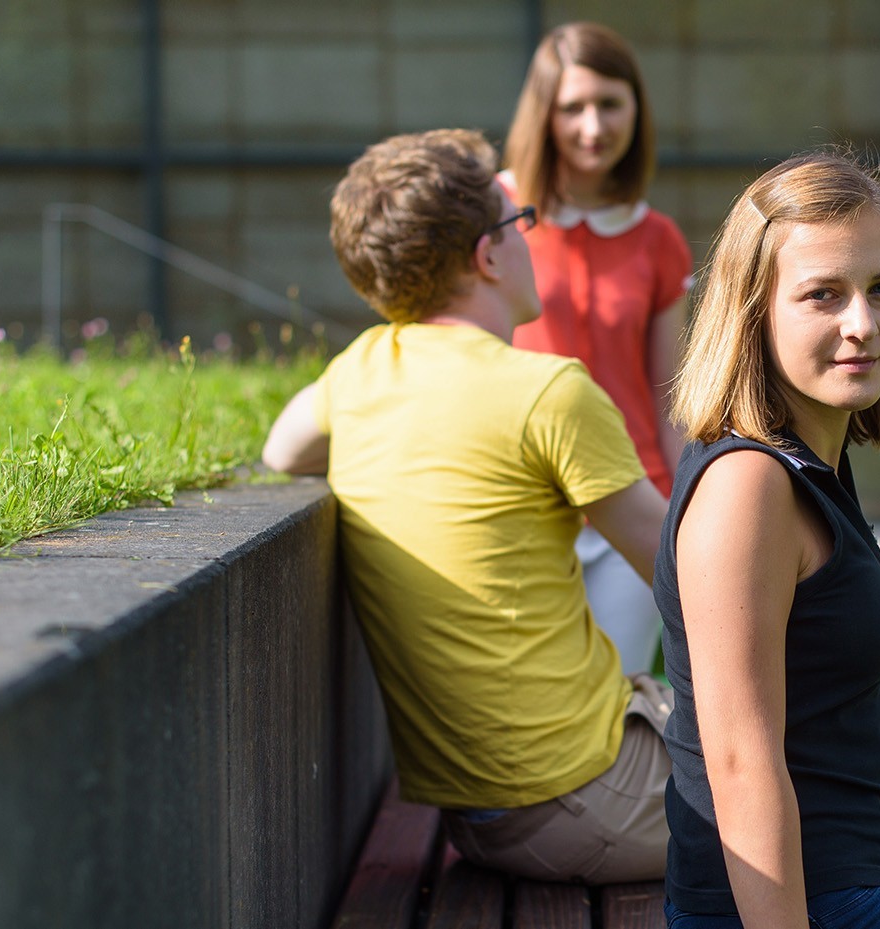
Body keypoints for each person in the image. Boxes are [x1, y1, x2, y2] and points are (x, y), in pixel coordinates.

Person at [261, 128, 673, 884]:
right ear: (488, 254)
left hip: (482, 815)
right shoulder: (547, 391)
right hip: (582, 798)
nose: (529, 239)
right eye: (520, 225)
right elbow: (687, 580)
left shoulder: (359, 373)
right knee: (864, 719)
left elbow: (282, 451)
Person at [655, 151, 880, 928]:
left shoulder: (810, 463)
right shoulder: (747, 485)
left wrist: (875, 689)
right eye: (823, 295)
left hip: (862, 883)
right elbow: (740, 762)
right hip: (803, 904)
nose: (863, 324)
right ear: (754, 310)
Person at [501, 21, 694, 675]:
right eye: (572, 107)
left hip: (632, 502)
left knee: (619, 696)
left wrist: (684, 511)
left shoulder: (659, 240)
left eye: (610, 104)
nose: (593, 126)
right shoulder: (495, 215)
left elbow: (669, 394)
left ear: (637, 109)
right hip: (524, 503)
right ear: (543, 113)